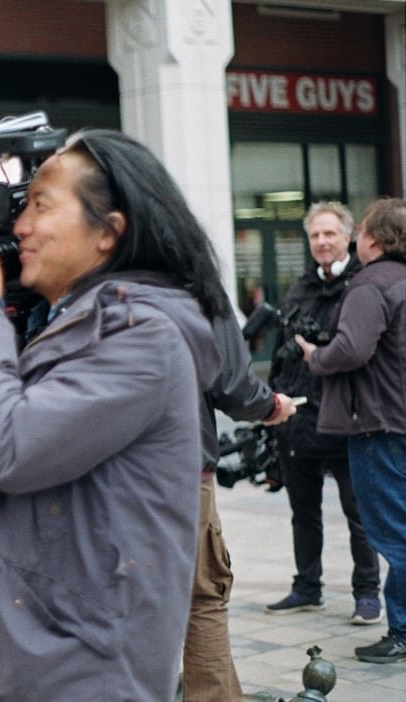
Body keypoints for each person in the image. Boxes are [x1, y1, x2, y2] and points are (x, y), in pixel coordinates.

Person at [0, 129, 224, 700]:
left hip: (76, 667)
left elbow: (10, 451)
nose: (19, 227)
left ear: (109, 232)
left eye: (41, 206)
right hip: (20, 646)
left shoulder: (141, 337)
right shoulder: (70, 324)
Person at [297, 197, 406, 665]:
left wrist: (316, 357)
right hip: (398, 419)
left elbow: (351, 349)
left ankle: (402, 631)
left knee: (393, 532)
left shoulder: (370, 284)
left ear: (372, 239)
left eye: (358, 231)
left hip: (379, 425)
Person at [265, 201, 382, 624]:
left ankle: (367, 594)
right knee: (304, 511)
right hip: (298, 419)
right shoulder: (299, 289)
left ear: (348, 237)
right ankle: (307, 587)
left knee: (359, 513)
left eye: (329, 233)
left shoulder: (363, 286)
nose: (322, 241)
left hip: (347, 418)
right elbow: (282, 352)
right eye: (315, 234)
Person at [184, 308, 295, 702]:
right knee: (203, 596)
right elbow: (232, 383)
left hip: (90, 471)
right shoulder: (190, 284)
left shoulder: (73, 289)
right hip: (179, 468)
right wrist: (271, 407)